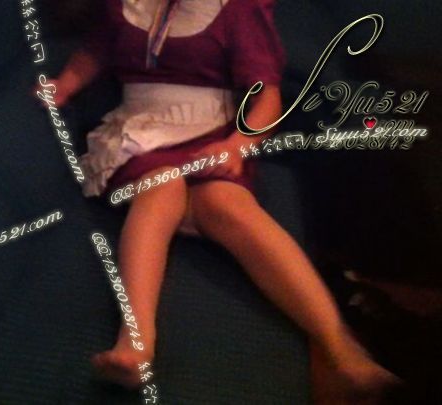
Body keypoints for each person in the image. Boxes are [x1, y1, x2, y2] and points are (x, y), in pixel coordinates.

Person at [43, 0, 399, 401]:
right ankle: (136, 342)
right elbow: (96, 50)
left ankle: (343, 350)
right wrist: (66, 85)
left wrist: (238, 144)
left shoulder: (236, 10)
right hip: (143, 134)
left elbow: (267, 99)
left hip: (212, 135)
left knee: (228, 205)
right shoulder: (128, 6)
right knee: (162, 186)